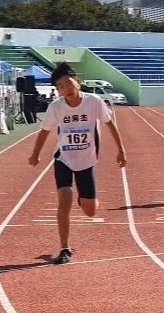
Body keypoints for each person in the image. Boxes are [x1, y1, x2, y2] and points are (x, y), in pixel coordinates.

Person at [28, 62, 126, 265]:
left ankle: (85, 198)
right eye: (60, 86)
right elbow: (44, 131)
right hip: (63, 158)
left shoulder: (94, 101)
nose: (66, 88)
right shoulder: (56, 107)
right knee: (64, 200)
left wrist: (121, 150)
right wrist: (35, 154)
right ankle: (64, 248)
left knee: (90, 211)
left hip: (87, 160)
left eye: (68, 83)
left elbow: (110, 124)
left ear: (78, 82)